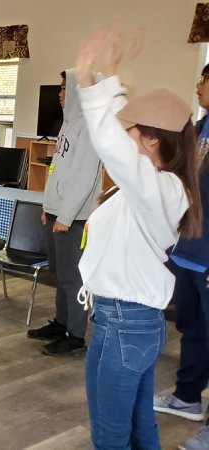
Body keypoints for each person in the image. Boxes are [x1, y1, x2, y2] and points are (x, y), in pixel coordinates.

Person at [74, 27, 202, 449]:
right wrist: (109, 78)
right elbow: (123, 142)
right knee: (138, 424)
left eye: (131, 129)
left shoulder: (161, 190)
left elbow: (116, 150)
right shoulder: (157, 186)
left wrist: (87, 83)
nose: (122, 133)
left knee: (110, 434)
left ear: (151, 139)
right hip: (124, 321)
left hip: (125, 324)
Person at [152, 63, 209, 450]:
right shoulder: (198, 129)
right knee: (192, 329)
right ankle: (188, 396)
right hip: (187, 250)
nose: (198, 85)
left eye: (204, 79)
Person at [28, 69, 103, 356]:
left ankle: (75, 335)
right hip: (58, 213)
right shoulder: (69, 124)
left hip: (75, 218)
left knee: (73, 278)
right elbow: (58, 170)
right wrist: (49, 207)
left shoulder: (90, 127)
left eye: (64, 88)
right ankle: (62, 324)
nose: (60, 94)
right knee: (60, 274)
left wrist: (66, 216)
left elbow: (84, 178)